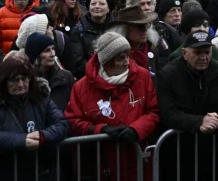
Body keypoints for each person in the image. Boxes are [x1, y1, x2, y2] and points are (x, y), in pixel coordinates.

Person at [65, 32, 160, 181]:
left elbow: (153, 111)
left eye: (128, 55)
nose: (127, 62)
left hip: (136, 161)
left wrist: (136, 129)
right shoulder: (81, 87)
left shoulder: (142, 76)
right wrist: (100, 129)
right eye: (120, 58)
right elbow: (73, 120)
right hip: (102, 164)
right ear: (107, 62)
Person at [157, 29, 218, 181]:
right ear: (184, 53)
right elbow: (168, 113)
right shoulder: (168, 75)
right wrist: (199, 122)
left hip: (214, 150)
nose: (203, 57)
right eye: (197, 53)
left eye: (207, 52)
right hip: (180, 153)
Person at [0, 57, 71, 181]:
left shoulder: (41, 98)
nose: (21, 85)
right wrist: (22, 141)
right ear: (4, 81)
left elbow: (62, 124)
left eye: (24, 79)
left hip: (41, 172)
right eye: (15, 80)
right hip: (6, 173)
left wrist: (43, 136)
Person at [69, 0, 115, 79]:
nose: (97, 6)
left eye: (102, 4)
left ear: (109, 9)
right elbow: (78, 63)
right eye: (93, 4)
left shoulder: (116, 29)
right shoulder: (78, 30)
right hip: (89, 78)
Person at [24, 33, 75, 110]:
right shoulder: (25, 81)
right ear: (35, 56)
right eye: (47, 50)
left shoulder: (66, 77)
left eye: (53, 49)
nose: (53, 54)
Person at [106, 5, 160, 78]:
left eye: (146, 25)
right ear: (125, 29)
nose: (145, 30)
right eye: (139, 26)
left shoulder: (151, 48)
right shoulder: (117, 55)